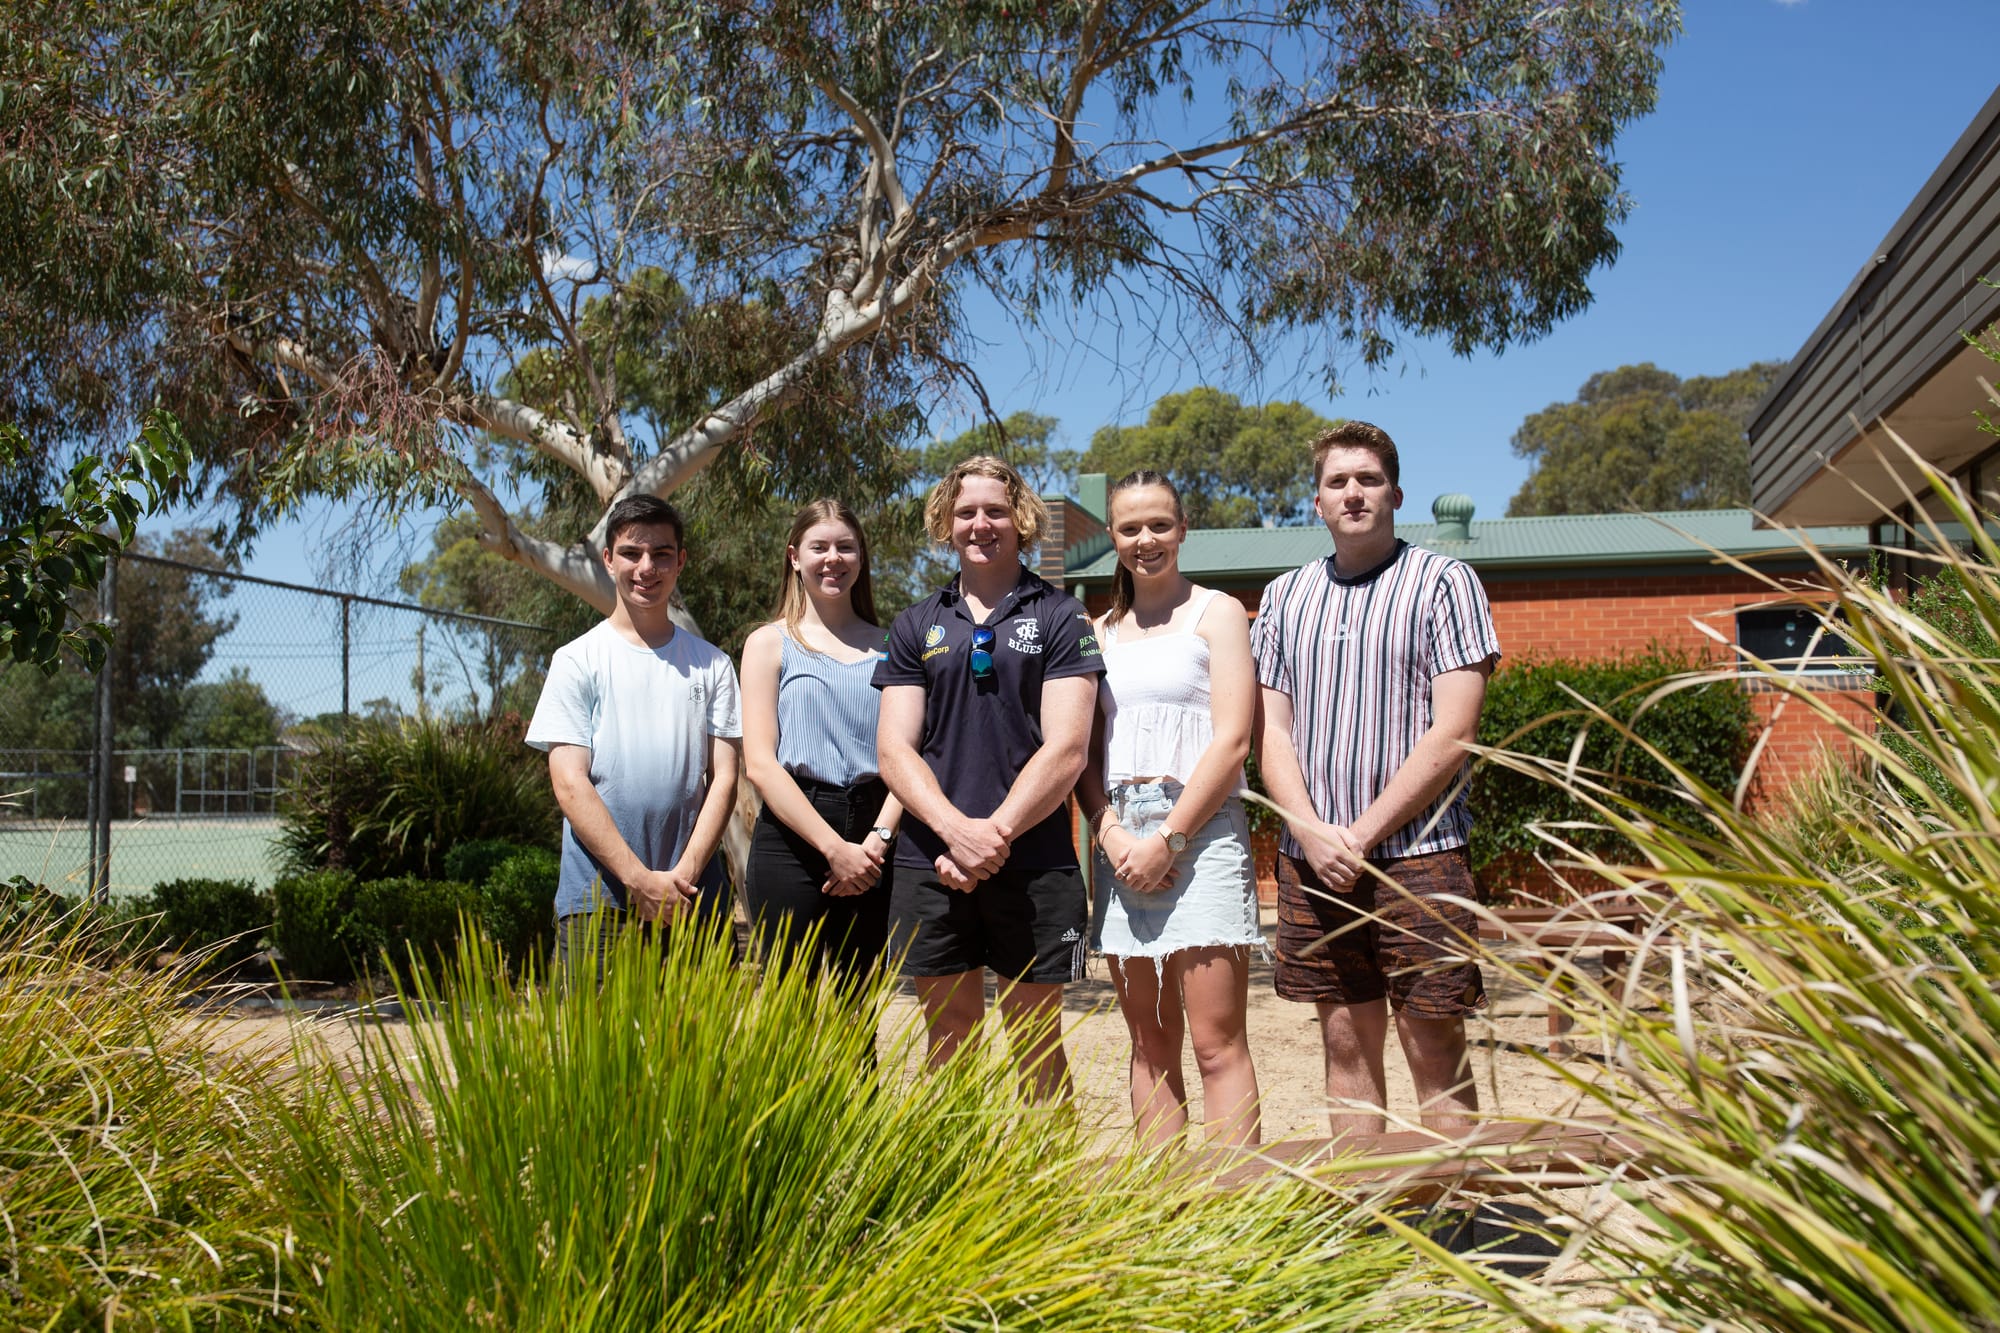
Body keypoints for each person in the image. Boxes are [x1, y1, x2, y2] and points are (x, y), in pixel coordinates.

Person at [1251, 421, 1500, 1141]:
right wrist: (1307, 830)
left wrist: (1359, 833)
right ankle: (1368, 1218)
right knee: (1345, 1041)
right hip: (1315, 861)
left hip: (1421, 854)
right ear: (1317, 501)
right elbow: (1273, 733)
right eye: (1338, 481)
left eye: (1367, 479)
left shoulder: (1444, 582)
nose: (1353, 493)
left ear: (1395, 491)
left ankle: (1450, 1218)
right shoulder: (1286, 598)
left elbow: (1452, 731)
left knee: (1433, 1041)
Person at [873, 455, 1103, 1101]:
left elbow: (1067, 749)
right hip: (931, 861)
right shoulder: (915, 623)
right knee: (948, 1037)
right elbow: (894, 749)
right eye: (967, 511)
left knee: (1036, 1038)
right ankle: (955, 1193)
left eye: (995, 510)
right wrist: (953, 833)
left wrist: (990, 838)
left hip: (1035, 861)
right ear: (947, 523)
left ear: (1021, 518)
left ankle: (1052, 1198)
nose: (981, 523)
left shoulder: (1062, 616)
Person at [1077, 470, 1264, 1149]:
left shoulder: (1217, 613)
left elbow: (1234, 738)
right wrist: (1113, 832)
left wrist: (1172, 838)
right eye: (1130, 528)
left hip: (1203, 834)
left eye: (1160, 524)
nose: (1146, 539)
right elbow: (1082, 753)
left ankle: (1235, 1215)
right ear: (1113, 537)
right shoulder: (1095, 632)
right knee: (1150, 1047)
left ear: (1183, 529)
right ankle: (1165, 1214)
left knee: (1217, 1043)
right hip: (1122, 840)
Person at [525, 494, 743, 975]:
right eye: (631, 553)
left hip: (695, 900)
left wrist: (681, 878)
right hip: (598, 900)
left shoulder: (714, 665)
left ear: (680, 561)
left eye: (662, 554)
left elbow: (724, 779)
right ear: (608, 559)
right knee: (595, 1051)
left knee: (696, 1052)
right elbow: (568, 783)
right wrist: (637, 879)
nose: (647, 567)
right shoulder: (576, 660)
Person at [740, 499, 902, 987]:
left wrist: (876, 843)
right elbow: (761, 765)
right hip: (792, 838)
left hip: (876, 836)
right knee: (792, 1010)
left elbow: (913, 757)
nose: (833, 558)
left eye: (846, 547)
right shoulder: (768, 643)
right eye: (819, 547)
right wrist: (835, 849)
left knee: (857, 1011)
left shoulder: (893, 645)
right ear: (794, 557)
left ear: (861, 558)